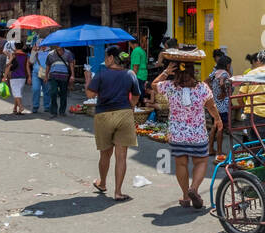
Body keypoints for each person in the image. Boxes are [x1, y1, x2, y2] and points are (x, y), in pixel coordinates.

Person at [153, 59, 222, 209]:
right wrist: (218, 119)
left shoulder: (169, 87)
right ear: (193, 71)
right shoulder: (202, 88)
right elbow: (211, 106)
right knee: (201, 161)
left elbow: (153, 85)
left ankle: (185, 196)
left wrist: (166, 71)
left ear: (175, 71)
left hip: (177, 135)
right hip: (197, 134)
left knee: (181, 163)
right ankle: (194, 189)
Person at [88, 46, 140, 202]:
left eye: (106, 57)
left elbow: (90, 94)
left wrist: (87, 78)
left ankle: (102, 183)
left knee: (105, 154)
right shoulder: (130, 74)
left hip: (103, 115)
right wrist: (130, 106)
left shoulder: (102, 74)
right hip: (124, 114)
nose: (105, 59)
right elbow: (136, 95)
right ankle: (118, 192)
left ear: (111, 58)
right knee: (121, 156)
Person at [237, 48, 265, 164]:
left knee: (256, 148)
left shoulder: (251, 73)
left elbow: (239, 96)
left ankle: (258, 174)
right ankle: (263, 173)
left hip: (249, 115)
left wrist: (244, 111)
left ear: (259, 61)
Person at [207, 54, 233, 158]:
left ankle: (210, 149)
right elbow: (222, 83)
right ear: (227, 64)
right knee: (221, 128)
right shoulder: (225, 74)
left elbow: (205, 82)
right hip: (223, 105)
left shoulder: (214, 72)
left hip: (215, 103)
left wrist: (211, 91)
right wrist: (223, 91)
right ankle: (219, 151)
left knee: (215, 126)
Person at [45, 45, 73, 117]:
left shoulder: (68, 53)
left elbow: (71, 64)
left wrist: (72, 75)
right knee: (53, 93)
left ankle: (62, 111)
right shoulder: (50, 54)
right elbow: (48, 65)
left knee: (63, 94)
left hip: (64, 76)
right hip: (53, 76)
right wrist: (46, 76)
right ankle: (54, 111)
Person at [6, 42, 31, 115]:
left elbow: (8, 65)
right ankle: (15, 108)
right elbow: (27, 67)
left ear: (15, 47)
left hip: (14, 76)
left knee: (16, 93)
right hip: (23, 76)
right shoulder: (26, 56)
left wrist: (5, 76)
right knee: (18, 93)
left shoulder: (13, 55)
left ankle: (20, 106)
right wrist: (29, 76)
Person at [29, 43, 52, 114]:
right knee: (35, 89)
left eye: (44, 44)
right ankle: (35, 106)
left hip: (47, 73)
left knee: (47, 90)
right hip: (36, 73)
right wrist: (33, 51)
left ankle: (47, 106)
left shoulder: (50, 53)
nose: (42, 46)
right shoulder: (36, 52)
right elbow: (31, 61)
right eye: (41, 44)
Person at [129, 36, 149, 105]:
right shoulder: (142, 50)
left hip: (138, 75)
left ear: (130, 43)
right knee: (141, 93)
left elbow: (136, 66)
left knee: (137, 94)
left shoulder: (136, 51)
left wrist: (132, 77)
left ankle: (139, 107)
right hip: (143, 75)